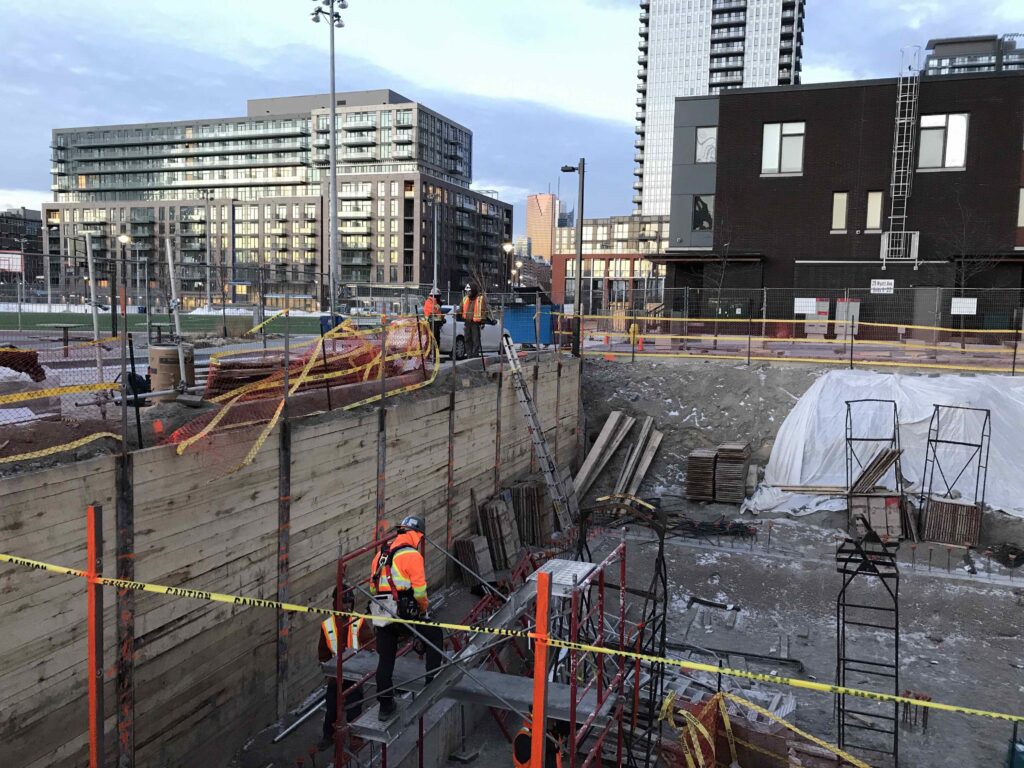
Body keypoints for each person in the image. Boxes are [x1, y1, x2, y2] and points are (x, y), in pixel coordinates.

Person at [369, 515, 444, 721]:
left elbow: (372, 587)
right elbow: (420, 593)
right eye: (420, 537)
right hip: (404, 612)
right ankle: (432, 684)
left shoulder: (380, 556)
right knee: (434, 634)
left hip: (382, 613)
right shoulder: (412, 555)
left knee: (385, 660)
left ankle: (385, 706)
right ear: (417, 534)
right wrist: (423, 612)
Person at [318, 585, 373, 750]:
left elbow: (370, 643)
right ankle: (329, 736)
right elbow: (323, 652)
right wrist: (328, 673)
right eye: (344, 602)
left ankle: (355, 738)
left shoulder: (359, 621)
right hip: (336, 678)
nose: (348, 606)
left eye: (350, 602)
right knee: (332, 710)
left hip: (354, 676)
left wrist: (366, 665)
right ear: (336, 603)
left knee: (354, 709)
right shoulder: (327, 625)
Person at [459, 284, 486, 359]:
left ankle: (475, 354)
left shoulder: (480, 299)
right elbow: (460, 308)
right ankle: (469, 354)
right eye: (467, 291)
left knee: (475, 339)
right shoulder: (465, 299)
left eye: (469, 291)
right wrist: (457, 313)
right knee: (467, 339)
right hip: (467, 322)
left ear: (473, 291)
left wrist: (483, 321)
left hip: (475, 323)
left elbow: (483, 310)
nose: (467, 293)